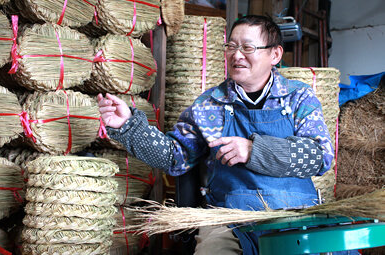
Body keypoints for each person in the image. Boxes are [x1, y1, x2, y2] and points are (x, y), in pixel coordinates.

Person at [98, 15, 356, 255]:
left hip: (296, 214)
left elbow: (319, 157)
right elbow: (175, 157)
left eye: (247, 47)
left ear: (275, 54)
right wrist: (129, 125)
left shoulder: (298, 97)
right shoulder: (210, 105)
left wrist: (255, 150)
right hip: (229, 218)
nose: (237, 55)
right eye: (231, 47)